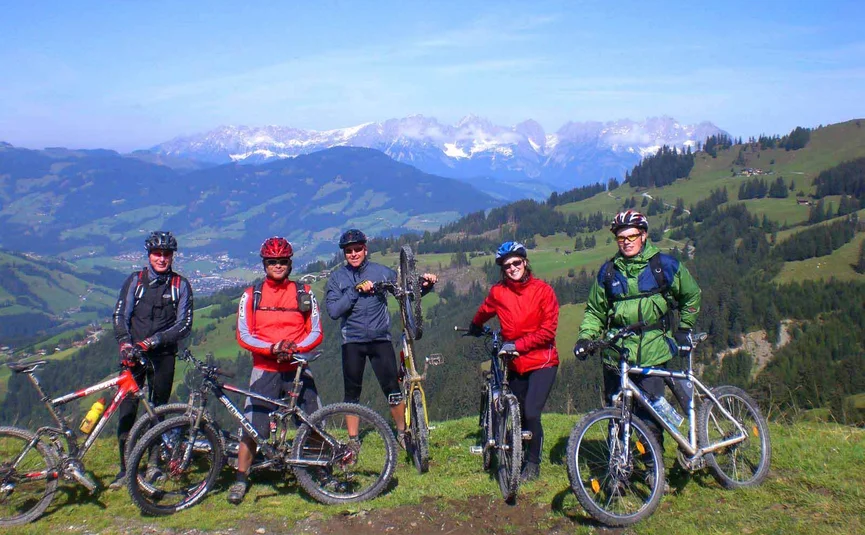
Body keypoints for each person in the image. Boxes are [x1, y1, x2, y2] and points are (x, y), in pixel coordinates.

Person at [574, 209, 702, 456]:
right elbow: (595, 310)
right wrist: (586, 337)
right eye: (621, 238)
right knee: (617, 414)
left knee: (651, 417)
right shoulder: (608, 272)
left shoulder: (663, 266)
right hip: (616, 356)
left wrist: (685, 328)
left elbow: (691, 294)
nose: (627, 242)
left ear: (643, 236)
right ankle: (618, 468)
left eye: (632, 236)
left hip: (651, 353)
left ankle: (651, 468)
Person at [228, 236, 324, 504]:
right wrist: (272, 348)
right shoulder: (252, 294)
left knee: (314, 420)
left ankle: (318, 470)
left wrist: (293, 348)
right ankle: (241, 477)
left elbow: (316, 331)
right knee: (252, 425)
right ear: (265, 264)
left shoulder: (304, 292)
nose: (278, 266)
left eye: (282, 261)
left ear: (289, 263)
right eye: (272, 262)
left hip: (296, 367)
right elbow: (244, 334)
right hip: (264, 366)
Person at [325, 229, 437, 448]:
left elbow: (406, 294)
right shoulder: (337, 278)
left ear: (365, 249)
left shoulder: (382, 272)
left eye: (358, 249)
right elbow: (334, 311)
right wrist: (355, 291)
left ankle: (402, 434)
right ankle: (353, 440)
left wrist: (426, 285)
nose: (354, 254)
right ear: (344, 254)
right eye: (349, 251)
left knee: (392, 390)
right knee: (352, 393)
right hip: (352, 342)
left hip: (380, 340)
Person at [467, 241, 559, 482]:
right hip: (515, 363)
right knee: (515, 410)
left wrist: (518, 345)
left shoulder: (543, 290)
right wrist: (475, 325)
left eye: (516, 262)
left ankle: (533, 462)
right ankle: (518, 450)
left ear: (525, 262)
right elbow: (485, 309)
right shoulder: (499, 292)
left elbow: (548, 331)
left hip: (542, 362)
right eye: (506, 265)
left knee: (531, 411)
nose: (512, 268)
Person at [111, 230, 193, 489]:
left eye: (166, 254)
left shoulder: (180, 285)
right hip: (133, 356)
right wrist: (125, 342)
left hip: (163, 356)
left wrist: (156, 341)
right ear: (149, 255)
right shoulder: (135, 281)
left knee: (157, 410)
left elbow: (184, 325)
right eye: (157, 253)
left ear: (172, 257)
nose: (161, 258)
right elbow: (120, 316)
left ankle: (153, 464)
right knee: (127, 411)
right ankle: (126, 469)